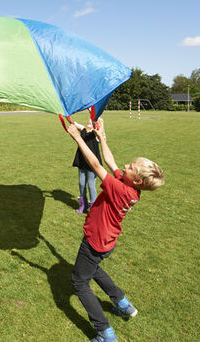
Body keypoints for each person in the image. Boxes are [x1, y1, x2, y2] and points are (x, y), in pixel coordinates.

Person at [66, 118, 164, 342]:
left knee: (80, 282)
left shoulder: (120, 189)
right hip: (107, 241)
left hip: (95, 240)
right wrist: (103, 138)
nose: (125, 166)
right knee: (94, 269)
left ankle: (104, 332)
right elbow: (110, 162)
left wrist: (78, 138)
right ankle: (122, 303)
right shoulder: (130, 188)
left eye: (130, 167)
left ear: (137, 180)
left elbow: (97, 165)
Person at [71, 114, 101, 214]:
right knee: (81, 183)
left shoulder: (96, 134)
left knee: (91, 185)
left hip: (92, 164)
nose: (89, 121)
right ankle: (83, 205)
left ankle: (93, 207)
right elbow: (73, 124)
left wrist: (93, 114)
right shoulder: (83, 130)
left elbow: (97, 125)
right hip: (82, 161)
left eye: (91, 121)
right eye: (88, 120)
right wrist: (66, 115)